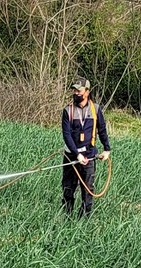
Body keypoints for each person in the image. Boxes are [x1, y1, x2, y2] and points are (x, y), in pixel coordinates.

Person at [61, 77, 111, 217]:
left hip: (89, 156)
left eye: (79, 90)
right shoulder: (68, 111)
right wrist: (77, 154)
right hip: (71, 156)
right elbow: (67, 135)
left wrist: (106, 149)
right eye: (74, 90)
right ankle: (67, 218)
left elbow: (102, 130)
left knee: (88, 190)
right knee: (68, 189)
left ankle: (84, 220)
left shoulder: (95, 109)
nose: (76, 93)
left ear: (87, 92)